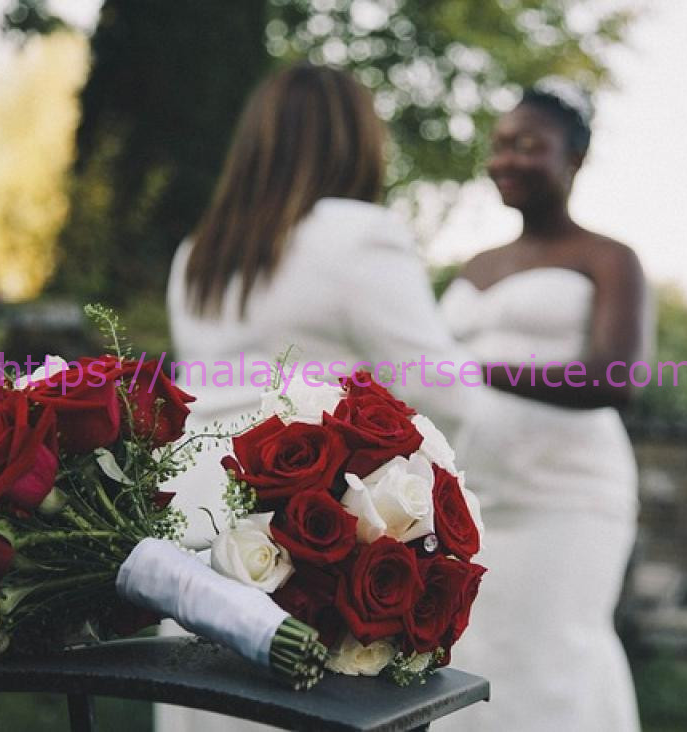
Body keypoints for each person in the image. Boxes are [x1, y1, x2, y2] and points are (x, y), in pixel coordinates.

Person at [158, 62, 490, 732]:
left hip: (198, 535)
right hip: (308, 543)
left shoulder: (198, 252)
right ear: (355, 142)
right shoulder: (359, 234)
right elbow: (446, 393)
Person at [432, 85, 649, 731]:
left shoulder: (608, 258)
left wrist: (473, 371)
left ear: (574, 158)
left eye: (531, 145)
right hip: (469, 498)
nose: (509, 160)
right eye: (501, 145)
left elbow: (618, 378)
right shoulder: (475, 264)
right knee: (464, 660)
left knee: (551, 659)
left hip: (566, 495)